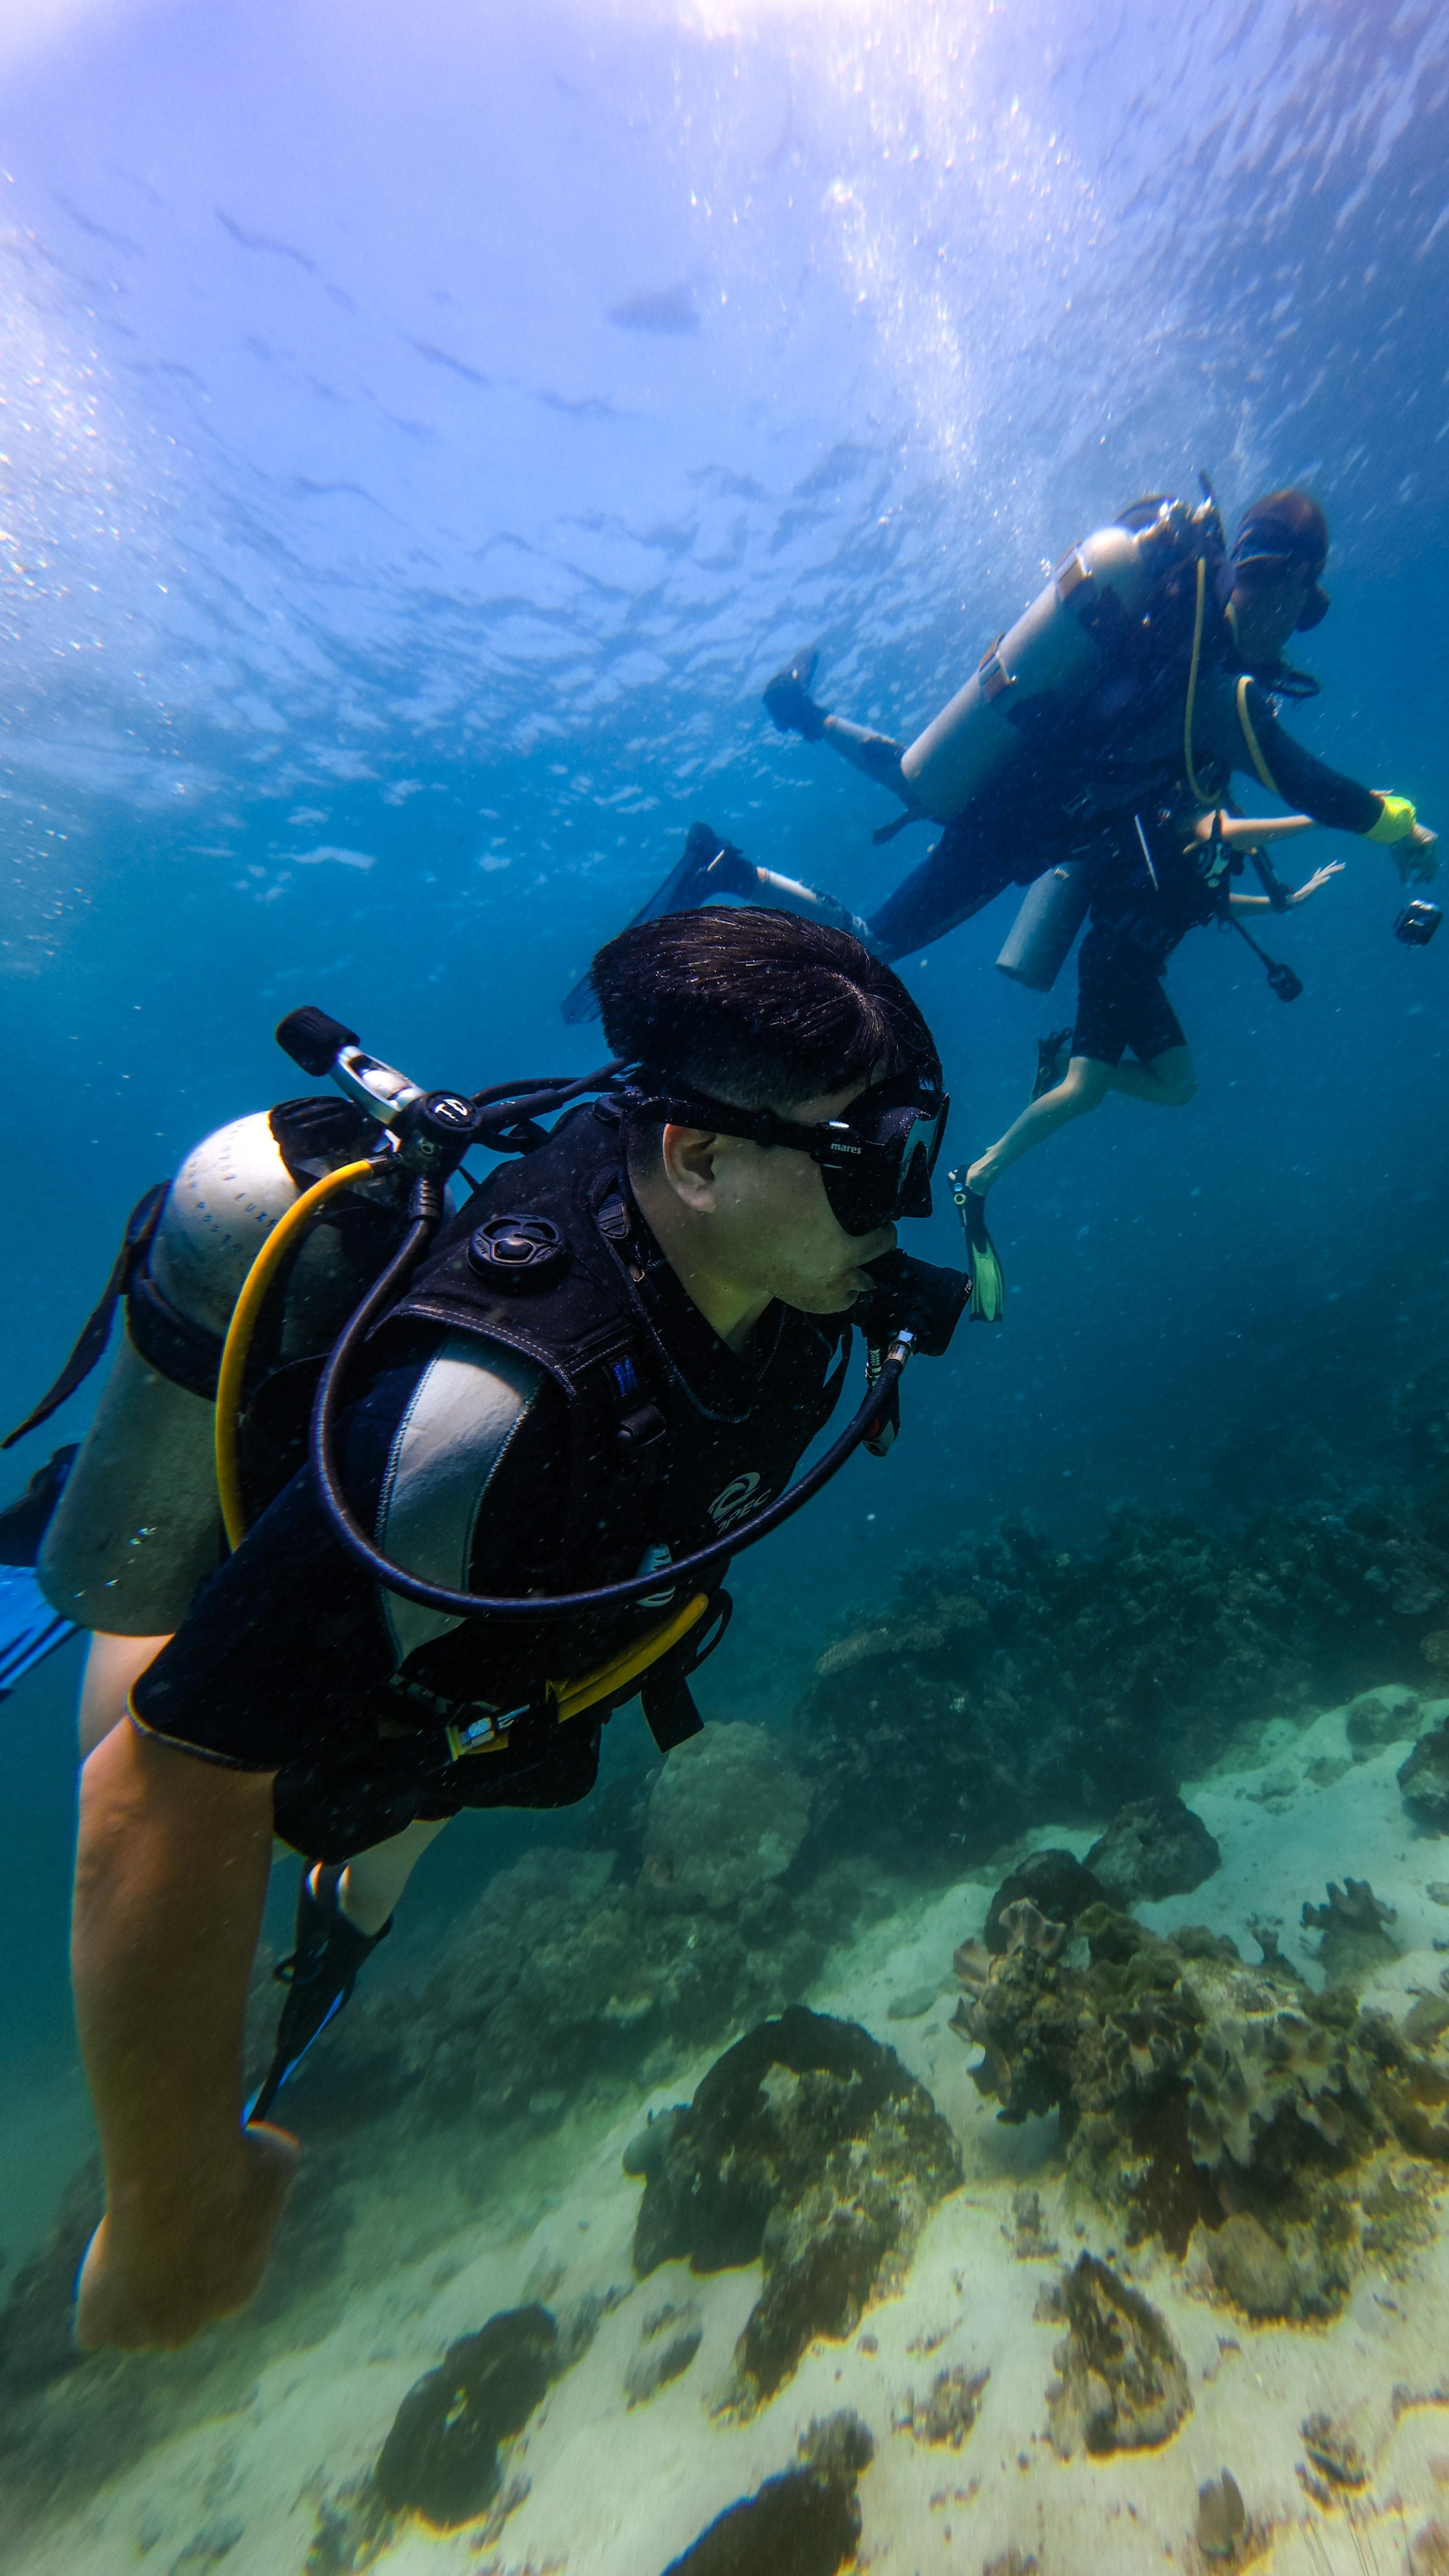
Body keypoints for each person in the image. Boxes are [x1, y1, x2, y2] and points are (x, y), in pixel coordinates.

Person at [66, 907, 962, 2353]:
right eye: (873, 1173)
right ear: (700, 1157)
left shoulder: (785, 1261)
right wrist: (167, 2204)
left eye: (910, 1158)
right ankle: (117, 1558)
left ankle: (335, 1935)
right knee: (201, 1733)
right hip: (385, 1553)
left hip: (494, 1660)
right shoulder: (470, 1432)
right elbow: (154, 1793)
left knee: (430, 1762)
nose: (901, 1214)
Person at [581, 489, 1433, 987]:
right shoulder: (1217, 691)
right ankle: (730, 872)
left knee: (916, 779)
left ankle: (805, 714)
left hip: (1010, 767)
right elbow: (1315, 788)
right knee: (875, 946)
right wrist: (1401, 823)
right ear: (1283, 585)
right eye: (1297, 602)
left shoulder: (1172, 631)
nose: (1293, 630)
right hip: (1020, 819)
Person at [952, 806, 1344, 1316]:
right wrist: (1332, 811)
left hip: (1138, 974)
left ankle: (1066, 1061)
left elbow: (1221, 904)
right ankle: (979, 1173)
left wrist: (1286, 900)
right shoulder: (1192, 820)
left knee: (1178, 1086)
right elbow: (1232, 831)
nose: (1251, 850)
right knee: (1081, 1094)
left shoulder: (1210, 868)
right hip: (1114, 962)